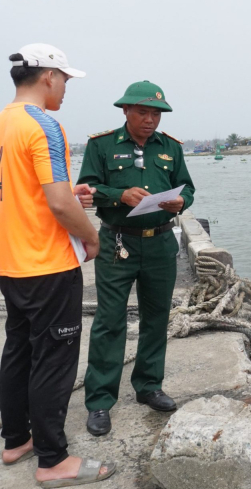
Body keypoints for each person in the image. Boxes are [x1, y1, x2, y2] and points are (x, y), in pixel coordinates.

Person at [0, 43, 116, 487]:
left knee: (18, 352)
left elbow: (30, 193)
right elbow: (60, 203)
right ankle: (52, 460)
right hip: (48, 265)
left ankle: (15, 439)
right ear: (47, 77)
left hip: (13, 264)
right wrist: (91, 235)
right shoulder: (44, 124)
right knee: (55, 359)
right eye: (64, 80)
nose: (65, 88)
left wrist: (67, 199)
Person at [77, 81, 195, 436]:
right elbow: (88, 189)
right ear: (125, 111)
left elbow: (186, 186)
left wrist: (181, 202)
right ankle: (99, 401)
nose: (149, 120)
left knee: (157, 318)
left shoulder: (170, 148)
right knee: (109, 322)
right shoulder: (101, 145)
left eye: (156, 113)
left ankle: (148, 386)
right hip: (117, 243)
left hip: (160, 244)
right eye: (142, 112)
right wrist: (119, 196)